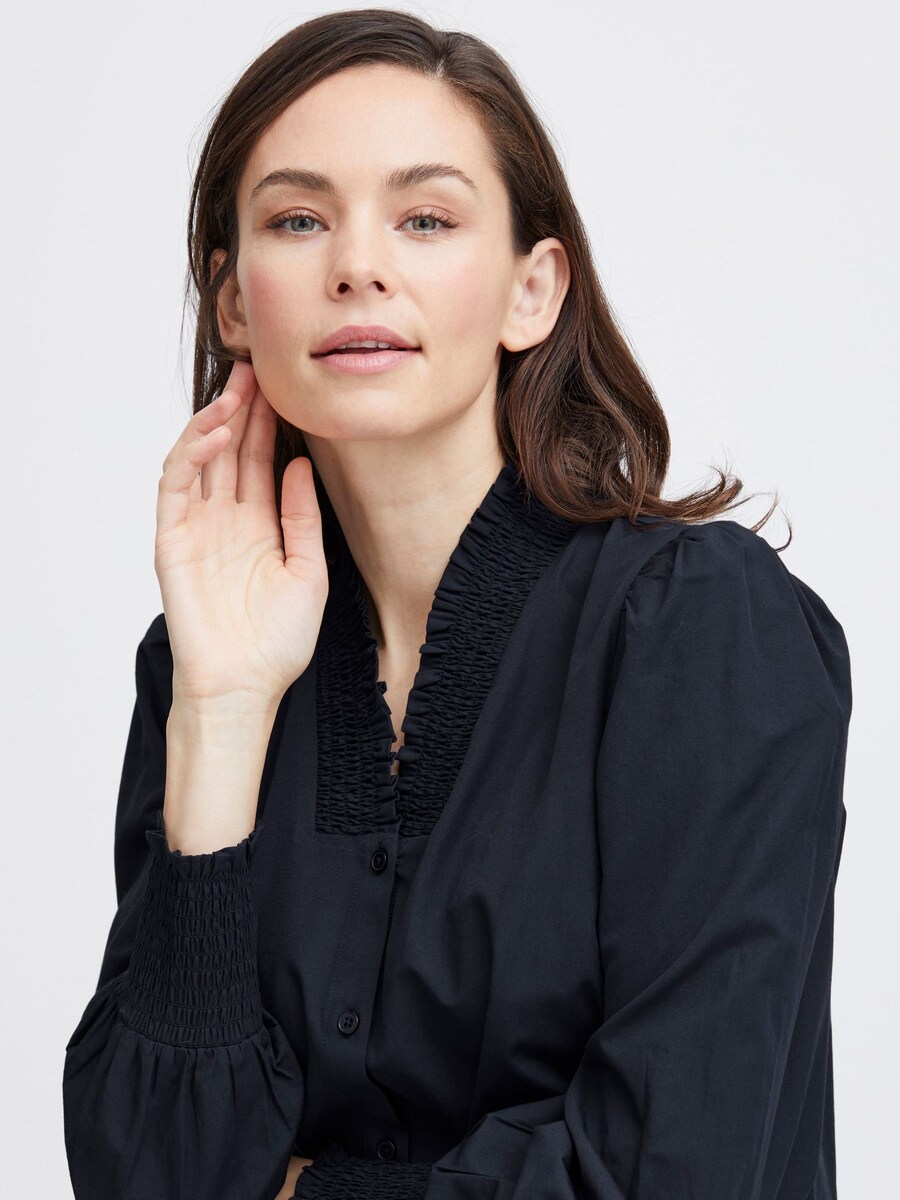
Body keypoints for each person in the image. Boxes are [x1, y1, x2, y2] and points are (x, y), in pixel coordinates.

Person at [62, 9, 852, 1200]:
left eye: (425, 219)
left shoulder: (696, 630)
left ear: (533, 291)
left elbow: (672, 1166)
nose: (357, 265)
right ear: (232, 304)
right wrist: (221, 718)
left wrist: (295, 1189)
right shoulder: (204, 664)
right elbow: (146, 1170)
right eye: (297, 220)